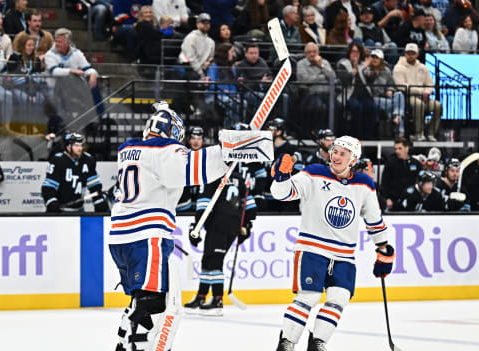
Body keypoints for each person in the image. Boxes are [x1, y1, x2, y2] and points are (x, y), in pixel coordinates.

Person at [108, 102, 228, 351]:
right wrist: (229, 151)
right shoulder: (164, 150)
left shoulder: (128, 149)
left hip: (121, 235)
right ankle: (136, 347)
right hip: (146, 235)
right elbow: (193, 169)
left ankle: (124, 343)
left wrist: (164, 110)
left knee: (141, 298)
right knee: (152, 304)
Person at [270, 136, 394, 351]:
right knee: (309, 296)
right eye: (334, 151)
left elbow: (374, 219)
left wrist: (383, 249)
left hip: (344, 255)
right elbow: (282, 194)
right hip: (312, 249)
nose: (336, 156)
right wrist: (281, 177)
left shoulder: (364, 184)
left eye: (342, 154)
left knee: (340, 297)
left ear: (353, 159)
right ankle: (287, 343)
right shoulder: (314, 173)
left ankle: (318, 343)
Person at [185, 165, 257, 316]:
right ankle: (201, 296)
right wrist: (246, 225)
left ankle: (218, 300)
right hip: (233, 225)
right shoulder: (238, 177)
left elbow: (204, 204)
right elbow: (250, 206)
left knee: (214, 261)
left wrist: (196, 227)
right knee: (208, 259)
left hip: (218, 223)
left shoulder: (212, 175)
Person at [41, 131, 108, 213]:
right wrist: (51, 203)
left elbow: (94, 185)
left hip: (80, 210)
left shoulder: (88, 160)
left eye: (81, 145)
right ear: (68, 147)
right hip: (61, 212)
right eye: (76, 145)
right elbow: (48, 187)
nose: (80, 148)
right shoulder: (58, 160)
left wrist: (99, 201)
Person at [44, 28, 103, 119]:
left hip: (73, 87)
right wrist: (71, 71)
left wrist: (93, 74)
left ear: (68, 43)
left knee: (94, 86)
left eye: (60, 42)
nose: (57, 44)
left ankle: (100, 117)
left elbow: (88, 68)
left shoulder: (77, 53)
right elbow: (54, 71)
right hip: (54, 88)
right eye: (56, 41)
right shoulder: (50, 54)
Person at [393, 43, 442, 142]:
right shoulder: (398, 67)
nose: (410, 55)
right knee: (418, 105)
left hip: (424, 96)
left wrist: (427, 92)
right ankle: (418, 133)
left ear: (417, 54)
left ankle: (431, 133)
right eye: (408, 53)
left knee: (438, 106)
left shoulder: (423, 67)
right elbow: (401, 86)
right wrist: (420, 91)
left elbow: (430, 83)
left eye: (413, 53)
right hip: (407, 97)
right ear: (405, 54)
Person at [336, 42, 376, 139]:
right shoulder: (343, 63)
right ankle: (356, 136)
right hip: (349, 95)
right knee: (356, 106)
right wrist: (354, 69)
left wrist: (368, 71)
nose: (355, 54)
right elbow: (345, 79)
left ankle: (368, 136)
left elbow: (372, 78)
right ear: (349, 52)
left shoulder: (363, 63)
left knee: (371, 106)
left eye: (357, 52)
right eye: (353, 51)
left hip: (364, 94)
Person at [364, 48, 405, 137]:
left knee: (399, 95)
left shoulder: (386, 70)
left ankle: (396, 116)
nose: (374, 60)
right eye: (373, 57)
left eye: (377, 58)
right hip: (373, 98)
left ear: (381, 60)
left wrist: (390, 90)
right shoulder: (367, 70)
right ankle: (399, 128)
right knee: (394, 104)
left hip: (386, 97)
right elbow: (366, 80)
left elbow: (391, 84)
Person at [297, 42, 336, 132]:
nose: (312, 54)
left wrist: (321, 66)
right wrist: (322, 76)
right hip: (310, 94)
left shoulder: (324, 62)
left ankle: (333, 132)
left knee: (338, 106)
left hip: (327, 94)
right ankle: (317, 132)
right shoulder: (301, 64)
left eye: (314, 51)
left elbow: (333, 77)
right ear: (305, 54)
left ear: (318, 52)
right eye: (309, 52)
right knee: (318, 106)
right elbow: (305, 80)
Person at [381, 137, 422, 211]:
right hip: (395, 200)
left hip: (412, 199)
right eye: (396, 149)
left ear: (407, 148)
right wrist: (387, 198)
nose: (397, 151)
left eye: (400, 148)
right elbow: (385, 182)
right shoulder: (391, 163)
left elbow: (421, 181)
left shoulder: (416, 163)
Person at [178, 12, 215, 79]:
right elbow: (191, 58)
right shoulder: (190, 37)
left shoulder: (211, 41)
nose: (206, 25)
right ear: (197, 24)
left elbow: (211, 58)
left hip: (203, 70)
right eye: (203, 23)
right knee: (194, 76)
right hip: (188, 68)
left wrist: (207, 65)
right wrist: (201, 74)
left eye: (208, 23)